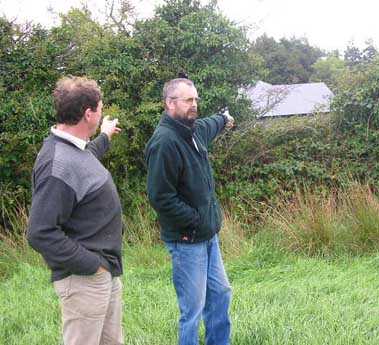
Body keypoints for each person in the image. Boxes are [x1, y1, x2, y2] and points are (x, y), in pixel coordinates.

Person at [27, 76, 124, 345]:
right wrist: (93, 266)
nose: (101, 113)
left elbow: (86, 158)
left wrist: (104, 135)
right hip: (85, 279)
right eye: (100, 110)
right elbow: (40, 232)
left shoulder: (73, 149)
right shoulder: (57, 164)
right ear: (88, 113)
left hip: (103, 274)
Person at [145, 78, 234, 345]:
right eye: (188, 100)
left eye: (195, 99)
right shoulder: (164, 142)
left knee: (221, 293)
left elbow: (211, 124)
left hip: (209, 237)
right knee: (192, 310)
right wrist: (194, 221)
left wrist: (225, 118)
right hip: (187, 240)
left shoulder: (193, 130)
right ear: (170, 104)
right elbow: (160, 197)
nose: (194, 105)